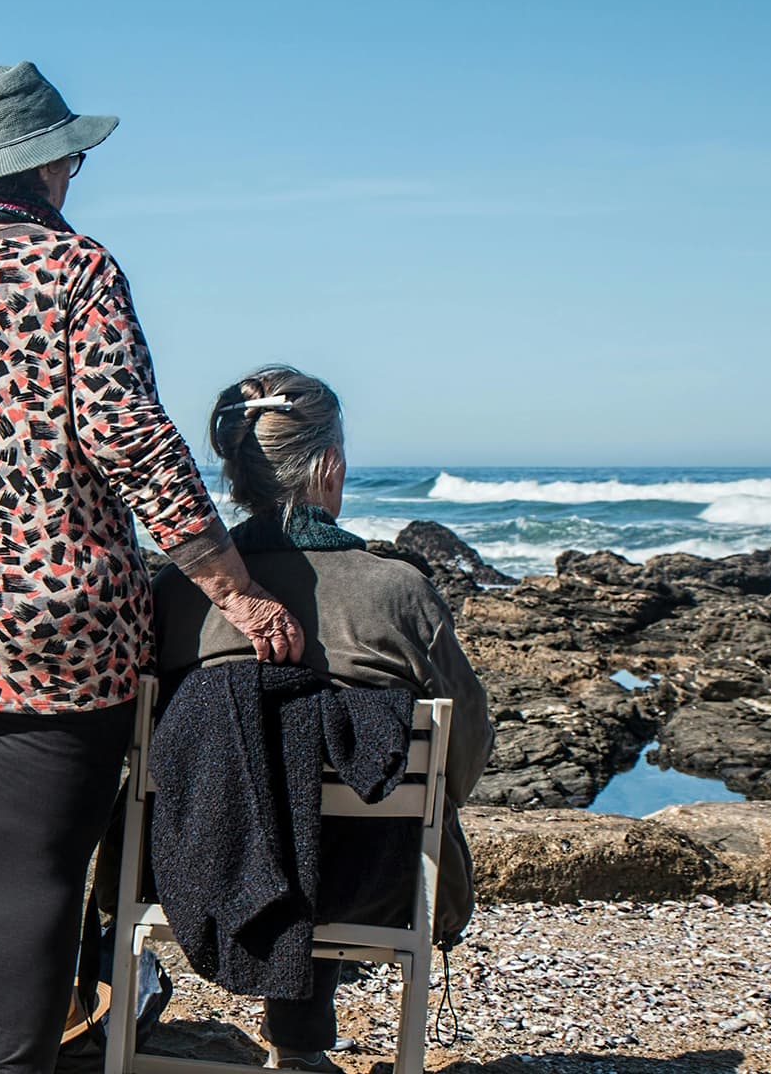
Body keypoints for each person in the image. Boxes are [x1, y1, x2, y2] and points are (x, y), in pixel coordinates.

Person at [0, 62, 304, 1074]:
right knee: (34, 870)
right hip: (58, 618)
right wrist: (233, 588)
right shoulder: (79, 271)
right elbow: (129, 435)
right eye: (71, 156)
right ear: (45, 165)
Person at [149, 365, 493, 1073]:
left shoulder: (177, 593)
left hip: (191, 872)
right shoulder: (397, 591)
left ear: (237, 475)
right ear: (329, 466)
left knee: (254, 781)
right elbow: (465, 749)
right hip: (372, 880)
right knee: (339, 810)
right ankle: (302, 1049)